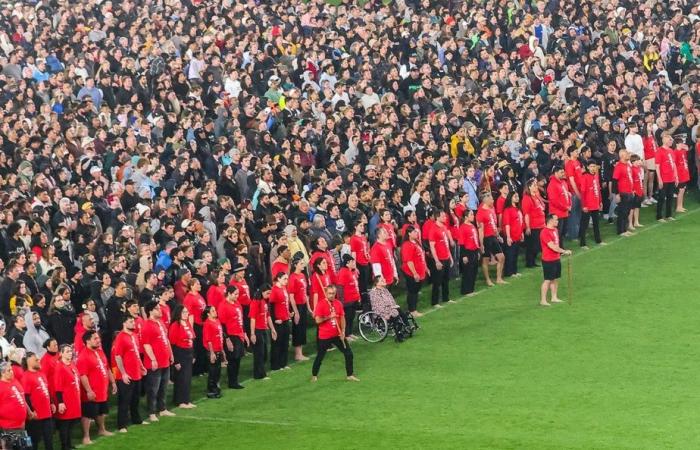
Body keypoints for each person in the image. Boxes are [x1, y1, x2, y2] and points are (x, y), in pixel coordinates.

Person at [311, 285, 359, 383]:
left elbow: (342, 318)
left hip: (337, 335)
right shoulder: (321, 304)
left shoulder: (338, 303)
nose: (332, 295)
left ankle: (349, 375)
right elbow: (317, 320)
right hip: (325, 336)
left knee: (349, 354)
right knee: (320, 356)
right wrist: (329, 317)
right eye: (329, 293)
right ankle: (314, 375)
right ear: (326, 293)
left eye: (333, 293)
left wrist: (343, 331)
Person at [77, 330, 116, 446]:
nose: (98, 340)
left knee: (101, 411)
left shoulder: (100, 351)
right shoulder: (83, 356)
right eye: (95, 338)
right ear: (87, 341)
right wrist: (88, 390)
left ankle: (102, 429)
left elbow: (107, 367)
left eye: (98, 338)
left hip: (102, 389)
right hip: (91, 391)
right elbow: (83, 375)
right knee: (88, 414)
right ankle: (86, 436)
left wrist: (113, 382)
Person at [111, 315, 147, 432]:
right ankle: (122, 425)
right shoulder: (121, 337)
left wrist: (141, 367)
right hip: (126, 375)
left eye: (133, 321)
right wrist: (124, 373)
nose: (134, 323)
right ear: (124, 323)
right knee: (124, 401)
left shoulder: (135, 336)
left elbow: (136, 354)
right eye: (131, 322)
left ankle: (136, 419)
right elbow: (118, 357)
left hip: (136, 373)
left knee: (135, 399)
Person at [141, 301, 175, 422]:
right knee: (153, 389)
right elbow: (146, 344)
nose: (160, 310)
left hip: (165, 360)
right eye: (156, 309)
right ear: (150, 311)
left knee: (163, 387)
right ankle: (151, 412)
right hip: (154, 363)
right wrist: (153, 359)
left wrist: (171, 354)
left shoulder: (160, 323)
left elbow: (166, 339)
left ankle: (162, 408)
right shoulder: (147, 325)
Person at [218, 286, 248, 389]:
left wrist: (244, 333)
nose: (237, 296)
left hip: (238, 334)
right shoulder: (223, 306)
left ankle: (235, 380)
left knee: (238, 358)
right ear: (229, 294)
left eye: (237, 294)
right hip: (231, 335)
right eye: (235, 294)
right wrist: (227, 339)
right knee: (232, 359)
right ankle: (232, 382)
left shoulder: (237, 304)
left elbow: (241, 319)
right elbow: (222, 324)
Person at [23, 352, 54, 450]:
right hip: (36, 416)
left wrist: (52, 403)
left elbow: (47, 390)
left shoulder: (41, 374)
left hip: (47, 413)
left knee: (49, 439)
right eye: (35, 359)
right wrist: (32, 411)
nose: (38, 360)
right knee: (34, 441)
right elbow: (25, 396)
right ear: (28, 361)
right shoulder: (26, 376)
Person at [539, 215, 572, 307]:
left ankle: (554, 297)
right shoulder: (544, 232)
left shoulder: (555, 230)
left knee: (555, 279)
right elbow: (552, 246)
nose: (558, 221)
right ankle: (543, 300)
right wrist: (564, 251)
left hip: (556, 258)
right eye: (556, 220)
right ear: (550, 221)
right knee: (547, 280)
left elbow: (556, 244)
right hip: (548, 259)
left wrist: (560, 253)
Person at [54, 344, 81, 450]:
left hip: (74, 399)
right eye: (67, 351)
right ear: (61, 354)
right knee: (65, 424)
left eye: (71, 351)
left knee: (71, 424)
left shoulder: (72, 364)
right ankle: (64, 446)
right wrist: (61, 402)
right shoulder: (59, 367)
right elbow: (58, 386)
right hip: (66, 400)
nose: (70, 352)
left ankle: (69, 444)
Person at [168, 306, 195, 409]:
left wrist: (193, 354)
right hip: (180, 353)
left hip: (188, 353)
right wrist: (176, 361)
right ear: (178, 313)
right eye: (183, 312)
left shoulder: (187, 323)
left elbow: (192, 339)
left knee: (187, 378)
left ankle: (186, 400)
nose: (186, 314)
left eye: (187, 312)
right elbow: (173, 344)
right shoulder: (175, 325)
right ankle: (180, 401)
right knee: (181, 378)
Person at [476, 193, 506, 287]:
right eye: (492, 199)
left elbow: (493, 225)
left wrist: (498, 236)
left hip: (493, 237)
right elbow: (480, 230)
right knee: (485, 260)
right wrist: (481, 244)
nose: (493, 201)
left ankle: (498, 278)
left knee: (501, 257)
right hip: (486, 238)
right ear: (486, 200)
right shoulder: (480, 213)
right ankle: (488, 280)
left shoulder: (491, 209)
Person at [427, 210, 454, 307]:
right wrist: (437, 260)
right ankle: (435, 302)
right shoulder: (433, 229)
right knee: (437, 281)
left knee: (446, 280)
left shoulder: (444, 227)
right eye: (443, 216)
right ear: (437, 217)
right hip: (439, 258)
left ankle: (446, 298)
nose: (445, 218)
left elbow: (446, 244)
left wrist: (450, 257)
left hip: (446, 257)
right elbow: (432, 246)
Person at [400, 226, 428, 316]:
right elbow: (409, 261)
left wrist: (426, 268)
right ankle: (412, 310)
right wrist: (414, 273)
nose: (416, 233)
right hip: (411, 272)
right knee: (412, 291)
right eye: (414, 232)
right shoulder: (407, 245)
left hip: (419, 271)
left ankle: (413, 309)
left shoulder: (416, 242)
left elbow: (421, 257)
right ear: (409, 233)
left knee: (415, 290)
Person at [249, 285, 276, 380]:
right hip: (257, 330)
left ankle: (260, 372)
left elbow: (268, 316)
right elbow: (252, 318)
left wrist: (272, 329)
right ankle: (259, 374)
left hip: (264, 329)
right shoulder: (255, 302)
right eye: (267, 293)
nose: (269, 295)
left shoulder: (265, 302)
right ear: (262, 292)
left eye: (270, 293)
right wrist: (252, 333)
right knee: (259, 353)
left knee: (264, 353)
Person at [0, 360, 30, 444]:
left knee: (26, 447)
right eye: (9, 370)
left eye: (11, 369)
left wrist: (29, 411)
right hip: (8, 428)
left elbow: (21, 397)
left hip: (21, 425)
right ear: (2, 373)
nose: (12, 372)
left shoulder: (14, 381)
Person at [183, 278, 207, 376]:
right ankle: (197, 370)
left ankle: (203, 367)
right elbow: (189, 315)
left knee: (203, 347)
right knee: (198, 348)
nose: (200, 285)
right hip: (196, 325)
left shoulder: (198, 295)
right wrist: (191, 330)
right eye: (197, 284)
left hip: (203, 324)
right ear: (192, 286)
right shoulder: (189, 298)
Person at [287, 258, 309, 360]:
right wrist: (295, 312)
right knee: (298, 328)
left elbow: (305, 293)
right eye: (301, 263)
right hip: (297, 305)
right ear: (295, 265)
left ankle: (300, 352)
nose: (303, 265)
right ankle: (297, 353)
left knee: (303, 327)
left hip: (303, 304)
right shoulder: (292, 277)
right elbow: (291, 296)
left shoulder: (303, 275)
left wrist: (308, 306)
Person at [202, 306, 226, 399]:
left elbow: (220, 337)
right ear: (208, 314)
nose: (215, 312)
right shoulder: (208, 324)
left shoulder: (217, 321)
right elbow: (209, 340)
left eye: (215, 310)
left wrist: (222, 350)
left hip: (218, 349)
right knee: (213, 371)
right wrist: (212, 353)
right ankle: (212, 390)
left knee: (217, 370)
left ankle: (215, 388)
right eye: (213, 311)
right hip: (213, 350)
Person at [269, 272, 291, 371]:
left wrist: (289, 312)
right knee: (277, 343)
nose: (286, 281)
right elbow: (271, 306)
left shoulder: (283, 288)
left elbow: (284, 303)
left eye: (287, 279)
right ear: (278, 279)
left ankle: (283, 363)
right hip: (278, 321)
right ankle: (275, 365)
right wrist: (275, 319)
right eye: (285, 279)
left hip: (285, 318)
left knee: (285, 342)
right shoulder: (274, 290)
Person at [579, 160, 604, 248]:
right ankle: (582, 243)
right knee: (584, 224)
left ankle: (598, 240)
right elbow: (582, 192)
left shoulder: (596, 176)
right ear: (588, 167)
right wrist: (584, 205)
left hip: (595, 204)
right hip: (588, 205)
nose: (593, 168)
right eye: (591, 166)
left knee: (596, 223)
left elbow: (598, 190)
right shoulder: (584, 177)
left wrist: (600, 201)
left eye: (594, 166)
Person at [522, 178, 546, 268]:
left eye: (536, 185)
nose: (536, 186)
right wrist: (528, 227)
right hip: (534, 226)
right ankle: (529, 262)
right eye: (534, 185)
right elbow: (526, 214)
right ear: (529, 187)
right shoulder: (527, 198)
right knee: (532, 246)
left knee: (538, 245)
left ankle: (532, 261)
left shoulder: (536, 195)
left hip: (541, 224)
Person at [655, 133, 679, 222]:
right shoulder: (659, 151)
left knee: (670, 197)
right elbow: (657, 166)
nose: (671, 141)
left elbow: (674, 165)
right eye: (670, 140)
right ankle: (659, 216)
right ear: (664, 140)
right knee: (661, 197)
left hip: (671, 178)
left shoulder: (671, 151)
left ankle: (669, 215)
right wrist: (659, 179)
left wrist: (676, 176)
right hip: (664, 178)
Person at [336, 255, 361, 337]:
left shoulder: (352, 271)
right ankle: (346, 335)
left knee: (351, 317)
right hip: (347, 301)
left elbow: (355, 285)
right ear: (347, 263)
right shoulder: (343, 272)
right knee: (347, 318)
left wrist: (358, 297)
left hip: (354, 299)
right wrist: (341, 302)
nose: (354, 263)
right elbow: (340, 287)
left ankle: (350, 333)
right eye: (352, 262)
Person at [547, 164, 572, 244]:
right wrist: (566, 207)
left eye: (563, 172)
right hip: (557, 213)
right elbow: (554, 201)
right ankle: (559, 249)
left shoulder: (563, 182)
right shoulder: (552, 185)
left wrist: (569, 205)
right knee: (558, 232)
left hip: (565, 211)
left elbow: (568, 195)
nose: (563, 174)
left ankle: (560, 248)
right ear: (556, 173)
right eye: (561, 172)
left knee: (563, 231)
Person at [612, 149, 635, 236]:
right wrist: (617, 194)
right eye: (627, 154)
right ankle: (620, 231)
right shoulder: (619, 167)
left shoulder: (628, 165)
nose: (629, 155)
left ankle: (624, 229)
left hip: (629, 192)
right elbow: (614, 180)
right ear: (622, 156)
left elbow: (630, 178)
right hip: (623, 192)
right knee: (622, 212)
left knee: (627, 212)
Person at [502, 192, 524, 278]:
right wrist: (508, 237)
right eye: (515, 196)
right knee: (510, 255)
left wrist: (521, 232)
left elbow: (520, 222)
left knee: (515, 254)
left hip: (518, 235)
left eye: (518, 196)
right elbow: (507, 224)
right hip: (511, 236)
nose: (517, 197)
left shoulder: (518, 209)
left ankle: (514, 271)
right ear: (510, 198)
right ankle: (509, 272)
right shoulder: (508, 210)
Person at [674, 140, 690, 213]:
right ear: (677, 144)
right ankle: (678, 207)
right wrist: (676, 175)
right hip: (680, 174)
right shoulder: (675, 152)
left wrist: (686, 149)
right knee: (680, 190)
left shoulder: (683, 151)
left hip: (684, 173)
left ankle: (681, 206)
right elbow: (674, 165)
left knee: (683, 190)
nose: (683, 144)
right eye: (681, 143)